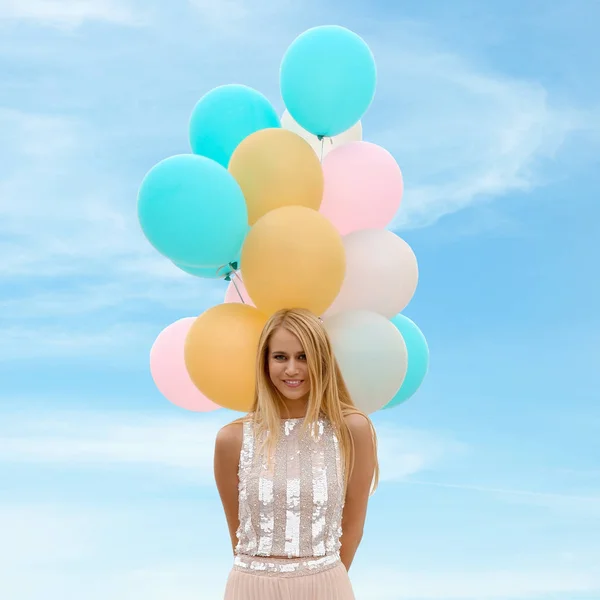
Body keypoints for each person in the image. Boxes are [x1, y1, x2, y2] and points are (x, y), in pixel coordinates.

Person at [214, 308, 380, 599]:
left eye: (303, 356)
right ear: (265, 362)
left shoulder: (352, 429)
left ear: (322, 361)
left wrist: (321, 581)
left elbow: (353, 527)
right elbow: (239, 534)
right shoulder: (232, 439)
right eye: (280, 357)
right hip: (250, 587)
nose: (292, 369)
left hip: (325, 586)